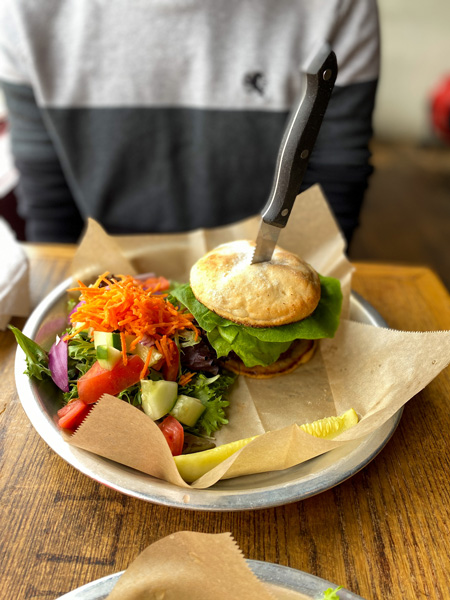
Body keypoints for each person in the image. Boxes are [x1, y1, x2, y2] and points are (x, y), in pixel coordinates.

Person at [0, 0, 379, 246]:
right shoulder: (22, 11)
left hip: (270, 271)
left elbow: (333, 192)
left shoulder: (336, 7)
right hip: (106, 288)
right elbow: (50, 208)